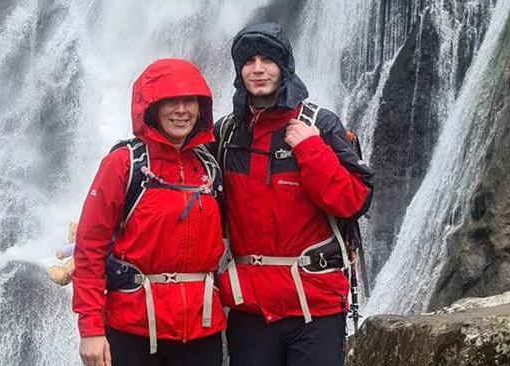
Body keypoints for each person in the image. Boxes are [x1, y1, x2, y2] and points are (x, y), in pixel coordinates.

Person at [214, 23, 373, 366]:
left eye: (268, 60)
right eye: (249, 61)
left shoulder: (321, 124)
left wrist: (312, 149)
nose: (258, 69)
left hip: (314, 308)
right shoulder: (226, 133)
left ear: (284, 67)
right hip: (250, 307)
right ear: (239, 71)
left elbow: (354, 201)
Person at [73, 58, 226, 366]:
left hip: (201, 328)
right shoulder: (123, 164)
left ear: (201, 108)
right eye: (170, 101)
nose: (181, 111)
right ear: (151, 107)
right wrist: (90, 328)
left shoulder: (209, 166)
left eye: (189, 101)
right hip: (134, 329)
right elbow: (90, 247)